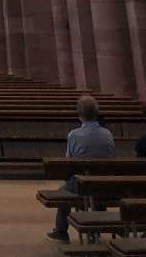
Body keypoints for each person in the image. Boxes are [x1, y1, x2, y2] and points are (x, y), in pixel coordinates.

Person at [48, 95, 115, 242]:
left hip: (82, 183)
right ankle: (96, 228)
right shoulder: (107, 133)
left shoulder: (74, 135)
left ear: (79, 115)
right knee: (98, 190)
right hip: (105, 183)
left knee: (63, 192)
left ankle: (61, 230)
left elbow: (69, 161)